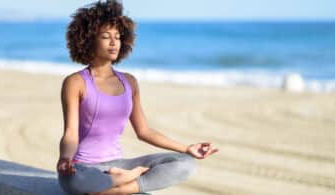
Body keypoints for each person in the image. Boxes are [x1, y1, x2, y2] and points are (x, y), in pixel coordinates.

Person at [56, 1, 219, 195]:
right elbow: (70, 133)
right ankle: (122, 180)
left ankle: (120, 186)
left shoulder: (129, 82)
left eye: (117, 37)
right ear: (89, 40)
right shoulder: (75, 82)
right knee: (74, 181)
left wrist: (187, 148)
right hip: (85, 167)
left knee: (185, 163)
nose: (113, 42)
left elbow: (144, 131)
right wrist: (65, 158)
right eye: (106, 37)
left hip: (120, 164)